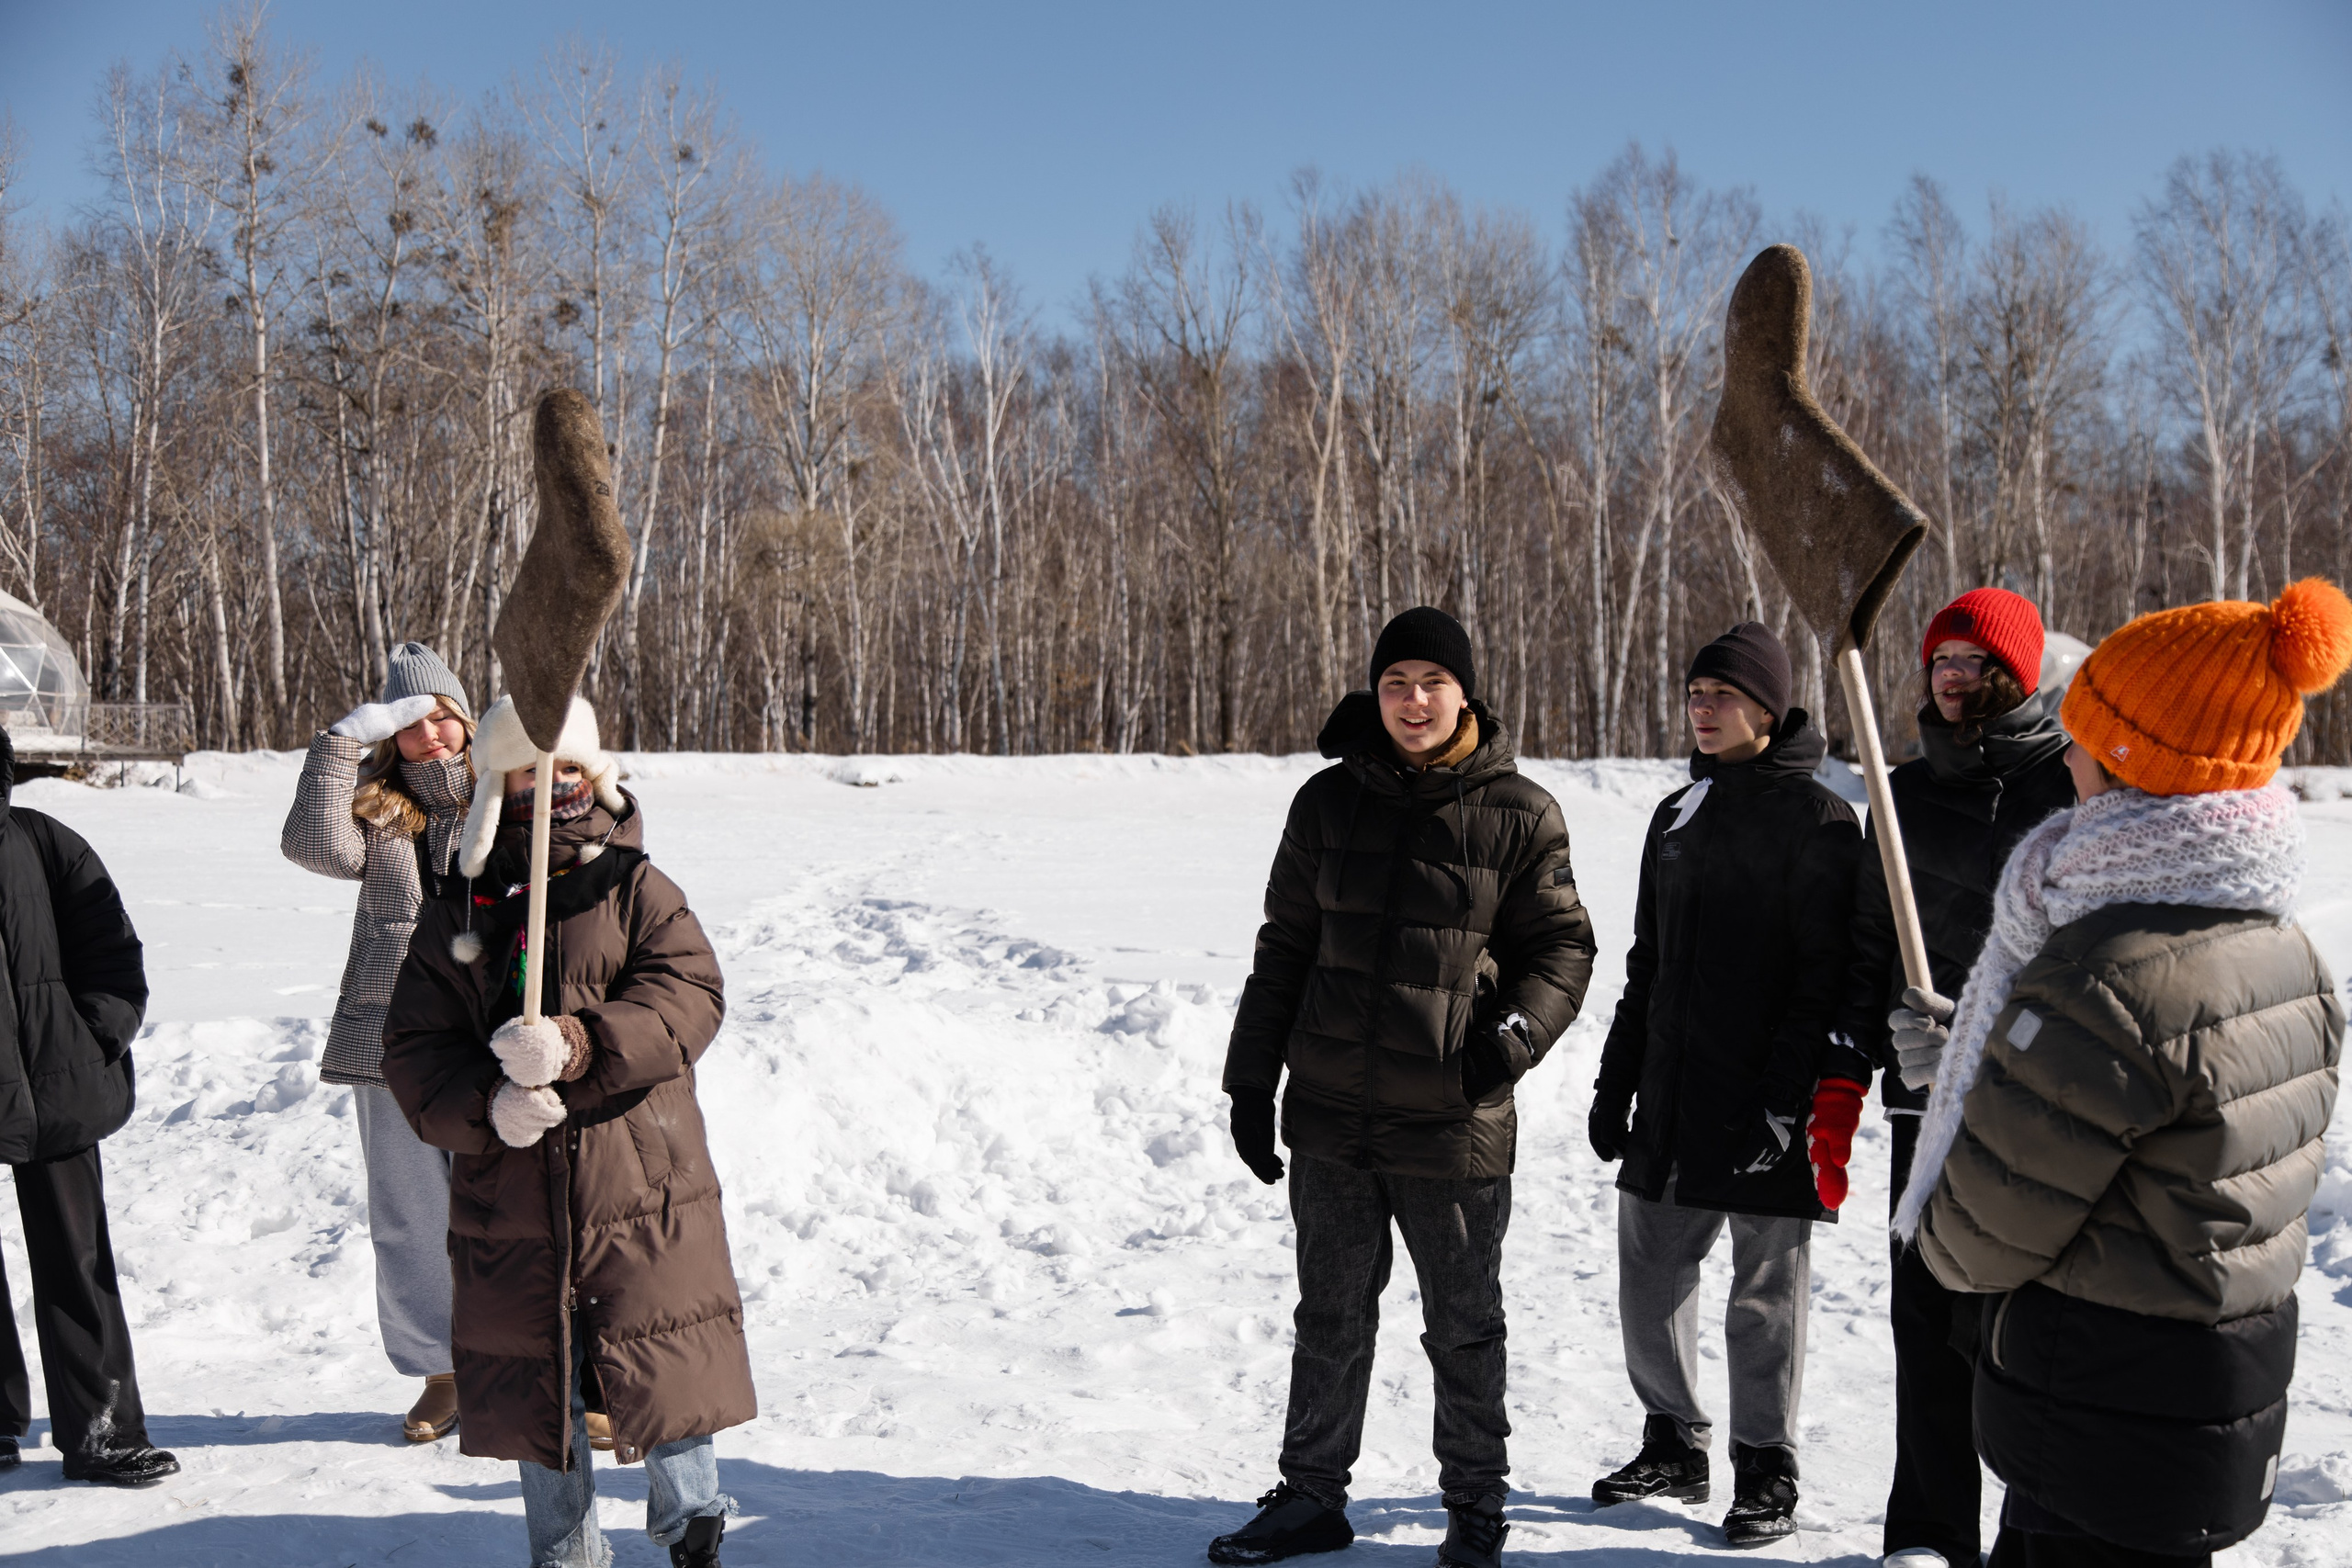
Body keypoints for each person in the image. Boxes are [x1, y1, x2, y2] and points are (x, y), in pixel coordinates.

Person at [1901, 580, 2350, 1568]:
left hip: (2097, 1407)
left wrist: (1980, 1086)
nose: (2066, 757)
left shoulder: (2107, 972)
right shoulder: (2286, 949)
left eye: (2085, 737)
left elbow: (1979, 1235)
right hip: (2213, 1398)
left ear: (2133, 760)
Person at [1210, 606, 1598, 1568]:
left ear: (1464, 693)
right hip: (1332, 1115)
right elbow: (1284, 948)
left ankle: (1474, 1507)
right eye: (1395, 683)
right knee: (1328, 1315)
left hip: (1452, 1120)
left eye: (1431, 682)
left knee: (1463, 1327)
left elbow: (1562, 949)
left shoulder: (1519, 813)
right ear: (1374, 692)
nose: (1412, 700)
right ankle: (1311, 1496)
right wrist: (1251, 1080)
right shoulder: (1325, 803)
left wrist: (1507, 1043)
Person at [382, 694, 752, 1568]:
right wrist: (489, 1103)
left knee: (662, 1343)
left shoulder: (636, 886)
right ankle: (566, 1548)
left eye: (568, 767)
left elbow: (690, 997)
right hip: (511, 1187)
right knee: (535, 1373)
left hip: (639, 1175)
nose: (551, 785)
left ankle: (692, 1517)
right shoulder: (460, 911)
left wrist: (582, 1041)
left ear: (596, 772)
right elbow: (415, 1050)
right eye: (527, 770)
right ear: (494, 782)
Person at [1588, 622, 1863, 1550]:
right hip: (1673, 1092)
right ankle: (1674, 1439)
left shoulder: (1821, 822)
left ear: (1769, 708)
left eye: (1724, 696)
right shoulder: (1677, 815)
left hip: (1766, 1098)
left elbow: (1823, 978)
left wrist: (1787, 1100)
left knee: (1764, 1294)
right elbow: (1649, 961)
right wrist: (1616, 1079)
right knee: (1650, 1270)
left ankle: (1765, 1466)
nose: (1703, 710)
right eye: (1696, 694)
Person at [1838, 590, 2076, 1568]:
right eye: (1941, 659)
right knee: (1926, 1314)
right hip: (1922, 1101)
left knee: (2024, 1324)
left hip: (2038, 1107)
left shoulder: (2068, 789)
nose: (1951, 676)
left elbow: (2089, 962)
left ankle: (2037, 1529)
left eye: (1974, 662)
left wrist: (1995, 1041)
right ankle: (1930, 1533)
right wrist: (1862, 1052)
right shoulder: (1898, 794)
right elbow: (1866, 946)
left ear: (2016, 676)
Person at [281, 641, 477, 1444]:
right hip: (391, 1040)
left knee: (515, 1205)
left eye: (442, 718)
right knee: (409, 1212)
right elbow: (312, 846)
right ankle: (442, 1369)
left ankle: (542, 1362)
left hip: (487, 1038)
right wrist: (339, 744)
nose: (429, 735)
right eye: (409, 723)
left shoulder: (507, 798)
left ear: (466, 720)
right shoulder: (378, 811)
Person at [0, 728, 179, 1485]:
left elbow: (111, 948)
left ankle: (103, 1429)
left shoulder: (43, 841)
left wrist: (92, 1033)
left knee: (77, 1260)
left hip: (56, 1081)